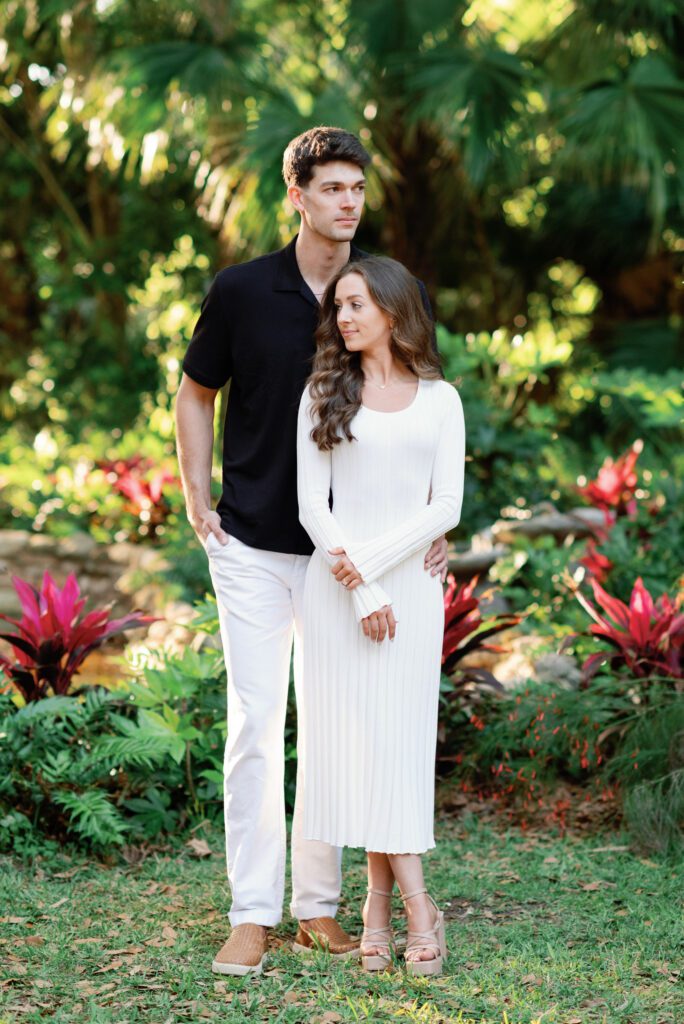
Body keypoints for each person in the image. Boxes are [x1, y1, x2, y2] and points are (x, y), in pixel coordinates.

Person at [175, 126, 449, 976]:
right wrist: (195, 495)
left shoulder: (385, 291)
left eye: (357, 188)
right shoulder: (241, 290)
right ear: (296, 195)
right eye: (331, 188)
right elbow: (195, 393)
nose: (348, 202)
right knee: (258, 724)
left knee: (337, 729)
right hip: (255, 542)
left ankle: (318, 910)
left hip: (356, 560)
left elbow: (419, 408)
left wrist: (432, 525)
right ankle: (252, 914)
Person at [297, 256, 465, 976]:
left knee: (398, 748)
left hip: (414, 593)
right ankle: (406, 910)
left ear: (393, 311)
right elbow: (312, 505)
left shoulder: (441, 400)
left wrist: (373, 570)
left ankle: (388, 906)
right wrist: (362, 588)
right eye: (338, 306)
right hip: (336, 596)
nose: (343, 317)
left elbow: (446, 505)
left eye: (357, 304)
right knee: (359, 751)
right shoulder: (322, 393)